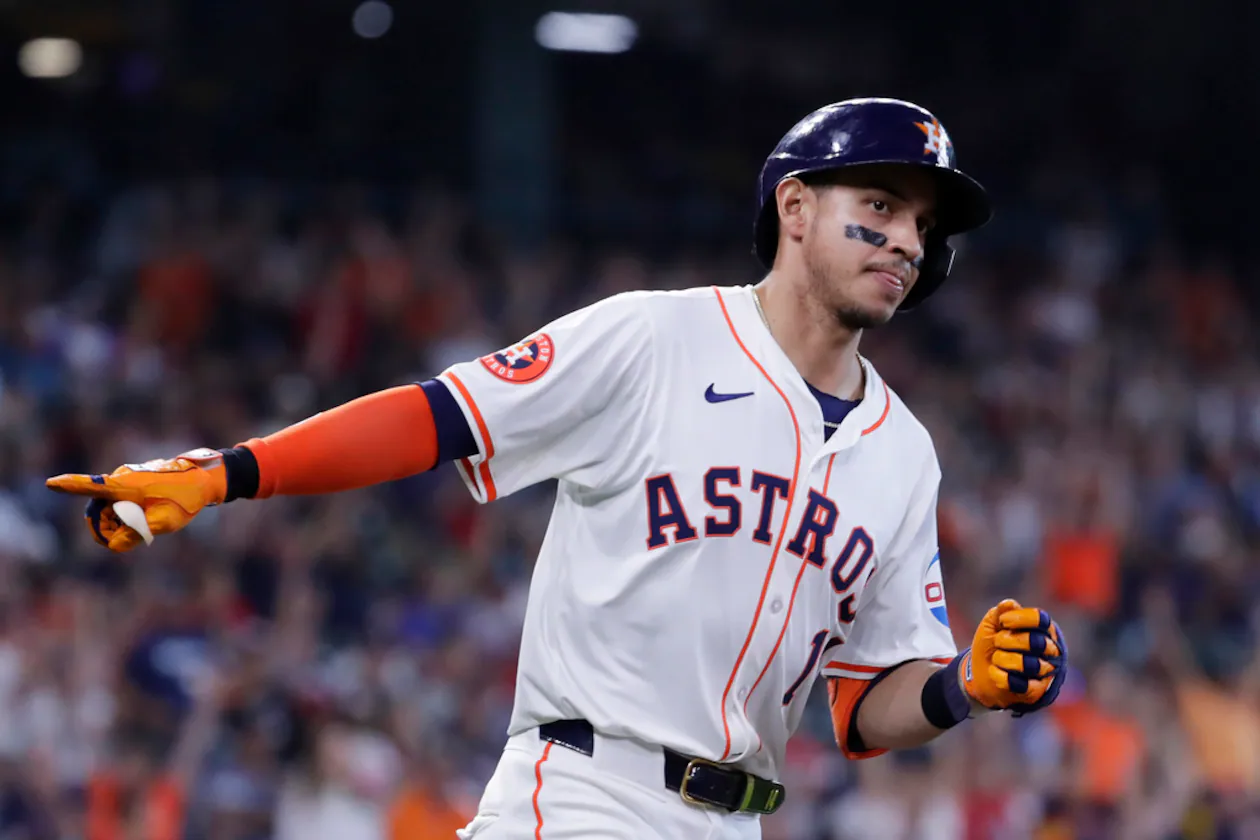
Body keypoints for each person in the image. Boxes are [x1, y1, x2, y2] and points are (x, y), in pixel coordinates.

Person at [48, 98, 1069, 840]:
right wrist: (228, 473)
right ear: (795, 207)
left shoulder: (904, 454)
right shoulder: (656, 340)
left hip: (737, 822)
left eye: (924, 227)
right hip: (583, 795)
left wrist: (961, 690)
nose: (907, 240)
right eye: (883, 204)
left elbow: (860, 711)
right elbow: (437, 417)